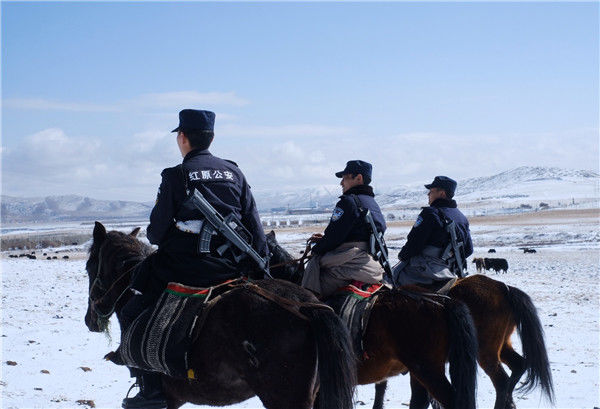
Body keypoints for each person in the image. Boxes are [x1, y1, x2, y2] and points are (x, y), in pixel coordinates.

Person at [120, 109, 268, 409]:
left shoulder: (176, 176)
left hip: (187, 268)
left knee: (134, 307)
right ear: (211, 138)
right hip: (232, 267)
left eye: (179, 135)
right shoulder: (235, 172)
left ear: (183, 138)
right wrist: (259, 266)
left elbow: (157, 233)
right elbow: (255, 226)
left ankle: (150, 387)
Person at [301, 160, 386, 299]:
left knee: (308, 297)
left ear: (358, 178)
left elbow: (333, 237)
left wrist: (316, 248)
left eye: (345, 178)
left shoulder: (348, 202)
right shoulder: (373, 204)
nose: (341, 183)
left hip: (349, 263)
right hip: (371, 264)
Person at [393, 176, 473, 291]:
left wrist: (402, 256)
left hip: (424, 273)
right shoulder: (462, 218)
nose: (428, 194)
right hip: (450, 272)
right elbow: (469, 250)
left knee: (389, 283)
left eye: (431, 191)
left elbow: (414, 243)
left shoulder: (430, 213)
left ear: (442, 193)